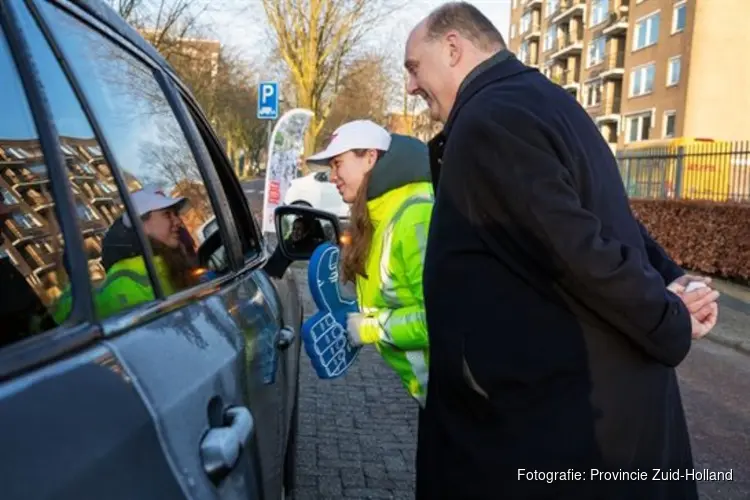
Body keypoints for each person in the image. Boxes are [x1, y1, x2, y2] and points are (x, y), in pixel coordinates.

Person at [404, 3, 719, 499]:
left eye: (413, 67)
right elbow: (605, 216)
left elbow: (575, 248)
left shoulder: (491, 121)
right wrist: (671, 279)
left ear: (452, 48)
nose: (410, 86)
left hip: (550, 436)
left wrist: (669, 316)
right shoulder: (547, 101)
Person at [306, 119, 434, 407]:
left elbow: (440, 319)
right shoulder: (380, 215)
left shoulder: (415, 216)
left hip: (458, 399)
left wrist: (367, 328)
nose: (333, 176)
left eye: (338, 163)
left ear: (370, 158)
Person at [53, 187, 202, 322]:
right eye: (167, 214)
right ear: (141, 225)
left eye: (176, 214)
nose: (178, 221)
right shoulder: (130, 283)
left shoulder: (165, 264)